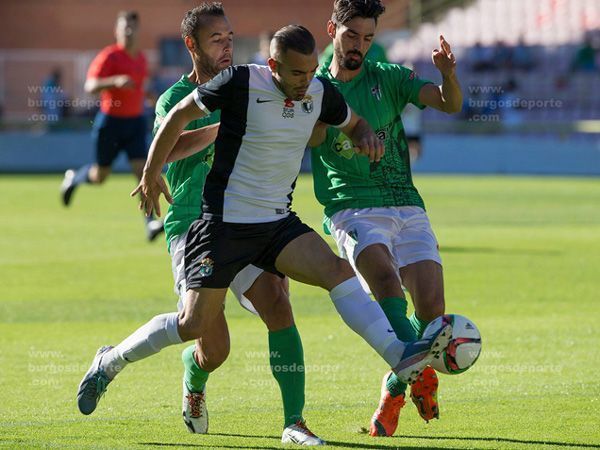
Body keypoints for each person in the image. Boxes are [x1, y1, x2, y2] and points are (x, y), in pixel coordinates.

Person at [77, 23, 452, 444]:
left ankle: (309, 412)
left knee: (331, 275)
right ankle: (111, 361)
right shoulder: (239, 83)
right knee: (195, 326)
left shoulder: (318, 91)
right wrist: (149, 172)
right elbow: (180, 115)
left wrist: (361, 131)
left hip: (275, 223)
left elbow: (350, 119)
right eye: (296, 74)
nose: (305, 82)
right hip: (221, 227)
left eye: (311, 72)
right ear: (273, 65)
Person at [153, 3, 322, 444]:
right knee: (216, 349)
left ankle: (294, 422)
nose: (227, 46)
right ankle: (194, 375)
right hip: (193, 225)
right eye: (216, 39)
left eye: (230, 37)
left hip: (245, 218)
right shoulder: (173, 99)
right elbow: (169, 149)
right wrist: (227, 125)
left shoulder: (249, 85)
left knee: (279, 305)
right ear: (192, 45)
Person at [308, 0, 462, 438]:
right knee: (383, 277)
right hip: (351, 206)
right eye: (352, 35)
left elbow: (449, 104)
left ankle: (397, 384)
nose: (359, 46)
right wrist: (347, 127)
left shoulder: (388, 78)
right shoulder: (316, 89)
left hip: (406, 203)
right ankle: (420, 373)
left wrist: (448, 75)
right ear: (333, 29)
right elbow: (315, 136)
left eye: (368, 38)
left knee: (433, 313)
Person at [60, 11, 164, 242]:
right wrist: (114, 81)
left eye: (132, 27)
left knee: (143, 173)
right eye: (124, 27)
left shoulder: (141, 59)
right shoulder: (109, 56)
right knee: (100, 176)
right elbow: (90, 85)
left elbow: (138, 86)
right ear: (116, 31)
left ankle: (150, 224)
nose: (128, 31)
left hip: (135, 123)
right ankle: (75, 178)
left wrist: (149, 96)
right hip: (111, 123)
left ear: (138, 30)